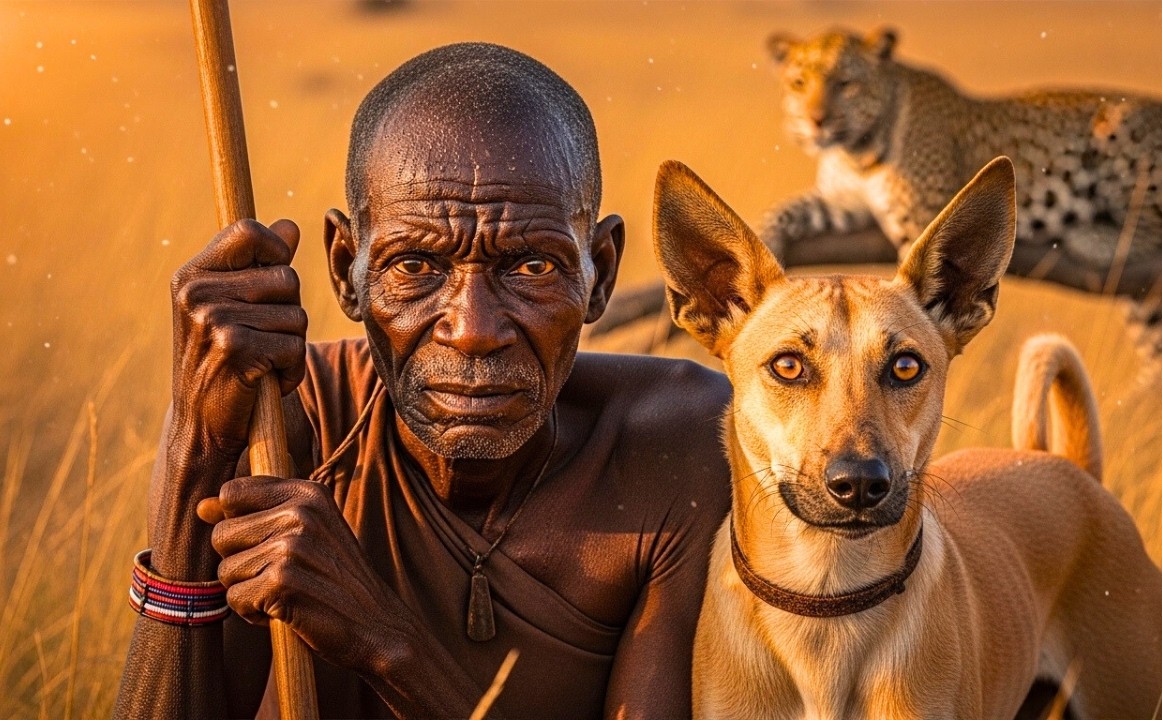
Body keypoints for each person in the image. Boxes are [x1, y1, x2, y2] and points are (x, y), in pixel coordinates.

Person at [114, 42, 731, 719]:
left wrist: (387, 643)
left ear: (601, 274)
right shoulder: (283, 424)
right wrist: (193, 454)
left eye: (530, 268)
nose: (472, 328)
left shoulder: (687, 447)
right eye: (415, 266)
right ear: (348, 267)